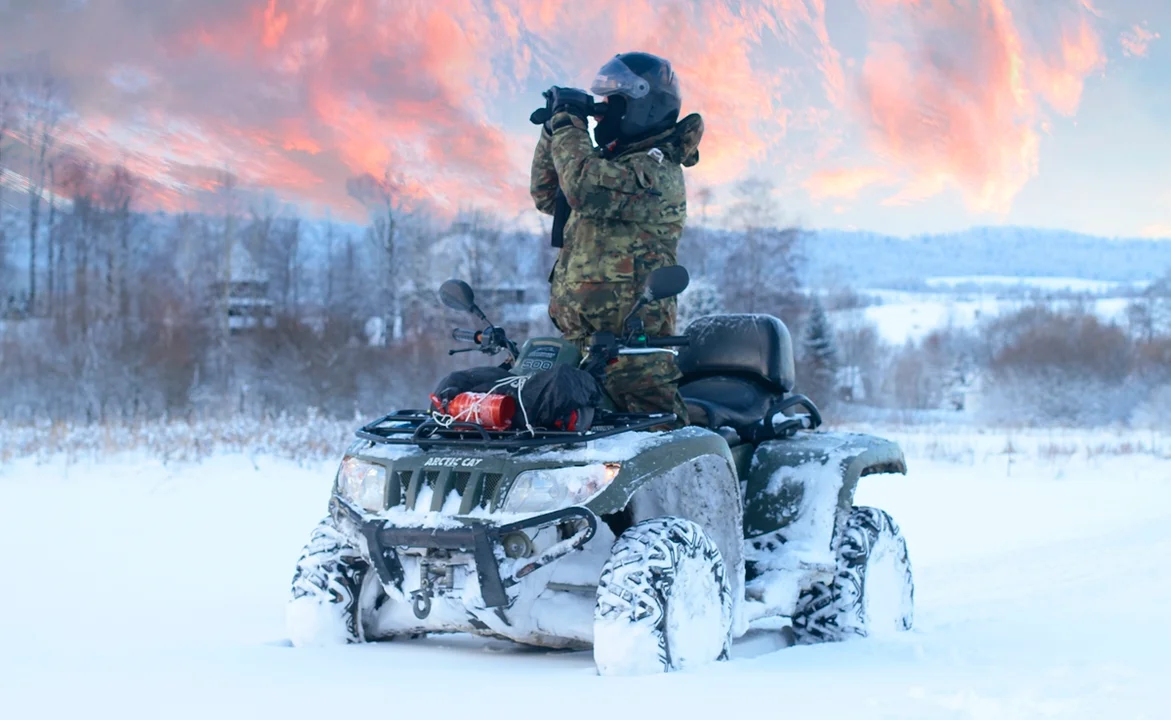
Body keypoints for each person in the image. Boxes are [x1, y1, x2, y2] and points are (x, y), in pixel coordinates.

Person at [529, 51, 704, 427]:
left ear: (641, 106)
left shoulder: (656, 171)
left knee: (660, 465)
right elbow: (548, 194)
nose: (602, 113)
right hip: (578, 352)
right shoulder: (609, 164)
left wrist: (568, 125)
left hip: (634, 365)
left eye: (612, 103)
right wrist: (551, 131)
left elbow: (583, 187)